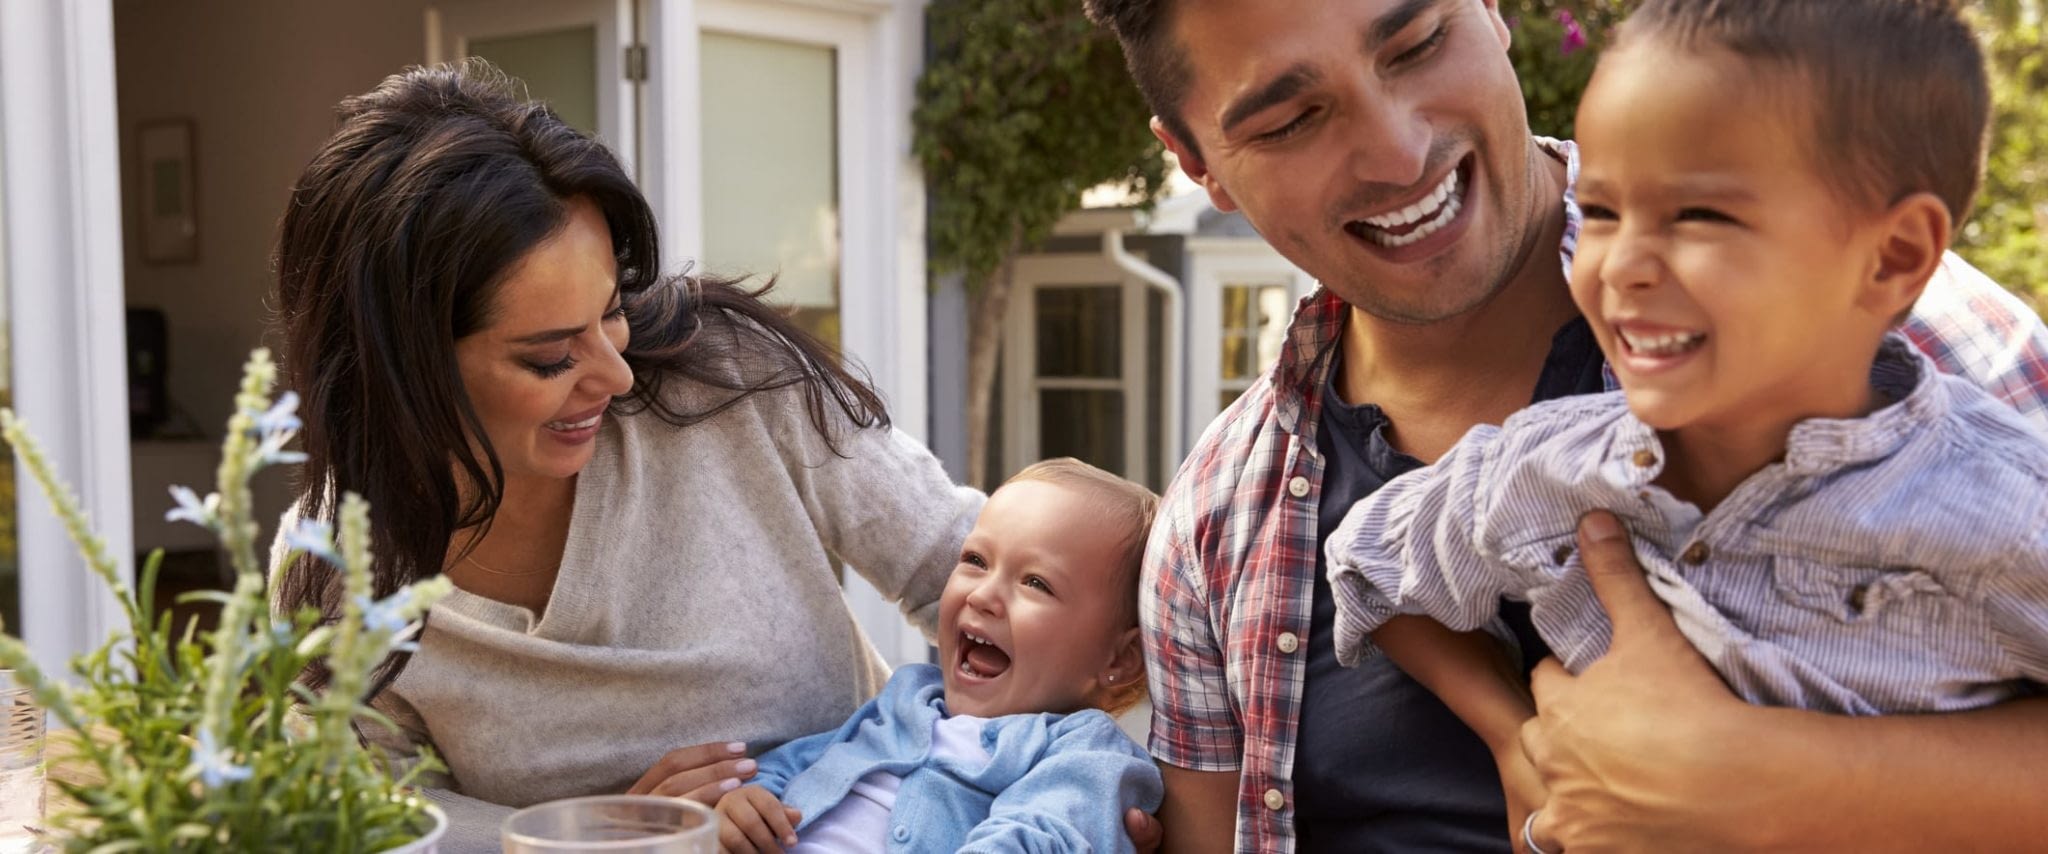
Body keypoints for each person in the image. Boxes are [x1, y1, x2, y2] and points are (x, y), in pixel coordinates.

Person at [1078, 0, 2048, 850]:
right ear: (1195, 161)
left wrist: (1745, 779)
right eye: (1292, 120)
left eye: (1414, 44)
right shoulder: (1211, 521)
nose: (1397, 151)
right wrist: (1518, 738)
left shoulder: (1907, 337)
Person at [268, 60, 983, 852]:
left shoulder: (732, 379)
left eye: (610, 313)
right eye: (549, 358)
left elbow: (965, 567)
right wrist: (598, 837)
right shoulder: (335, 569)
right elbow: (376, 816)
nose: (616, 372)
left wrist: (1078, 772)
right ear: (404, 371)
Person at [713, 459, 1163, 853]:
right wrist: (749, 802)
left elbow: (1043, 833)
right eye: (975, 560)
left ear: (1120, 660)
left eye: (1036, 583)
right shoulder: (904, 702)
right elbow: (797, 764)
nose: (984, 594)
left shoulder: (1084, 752)